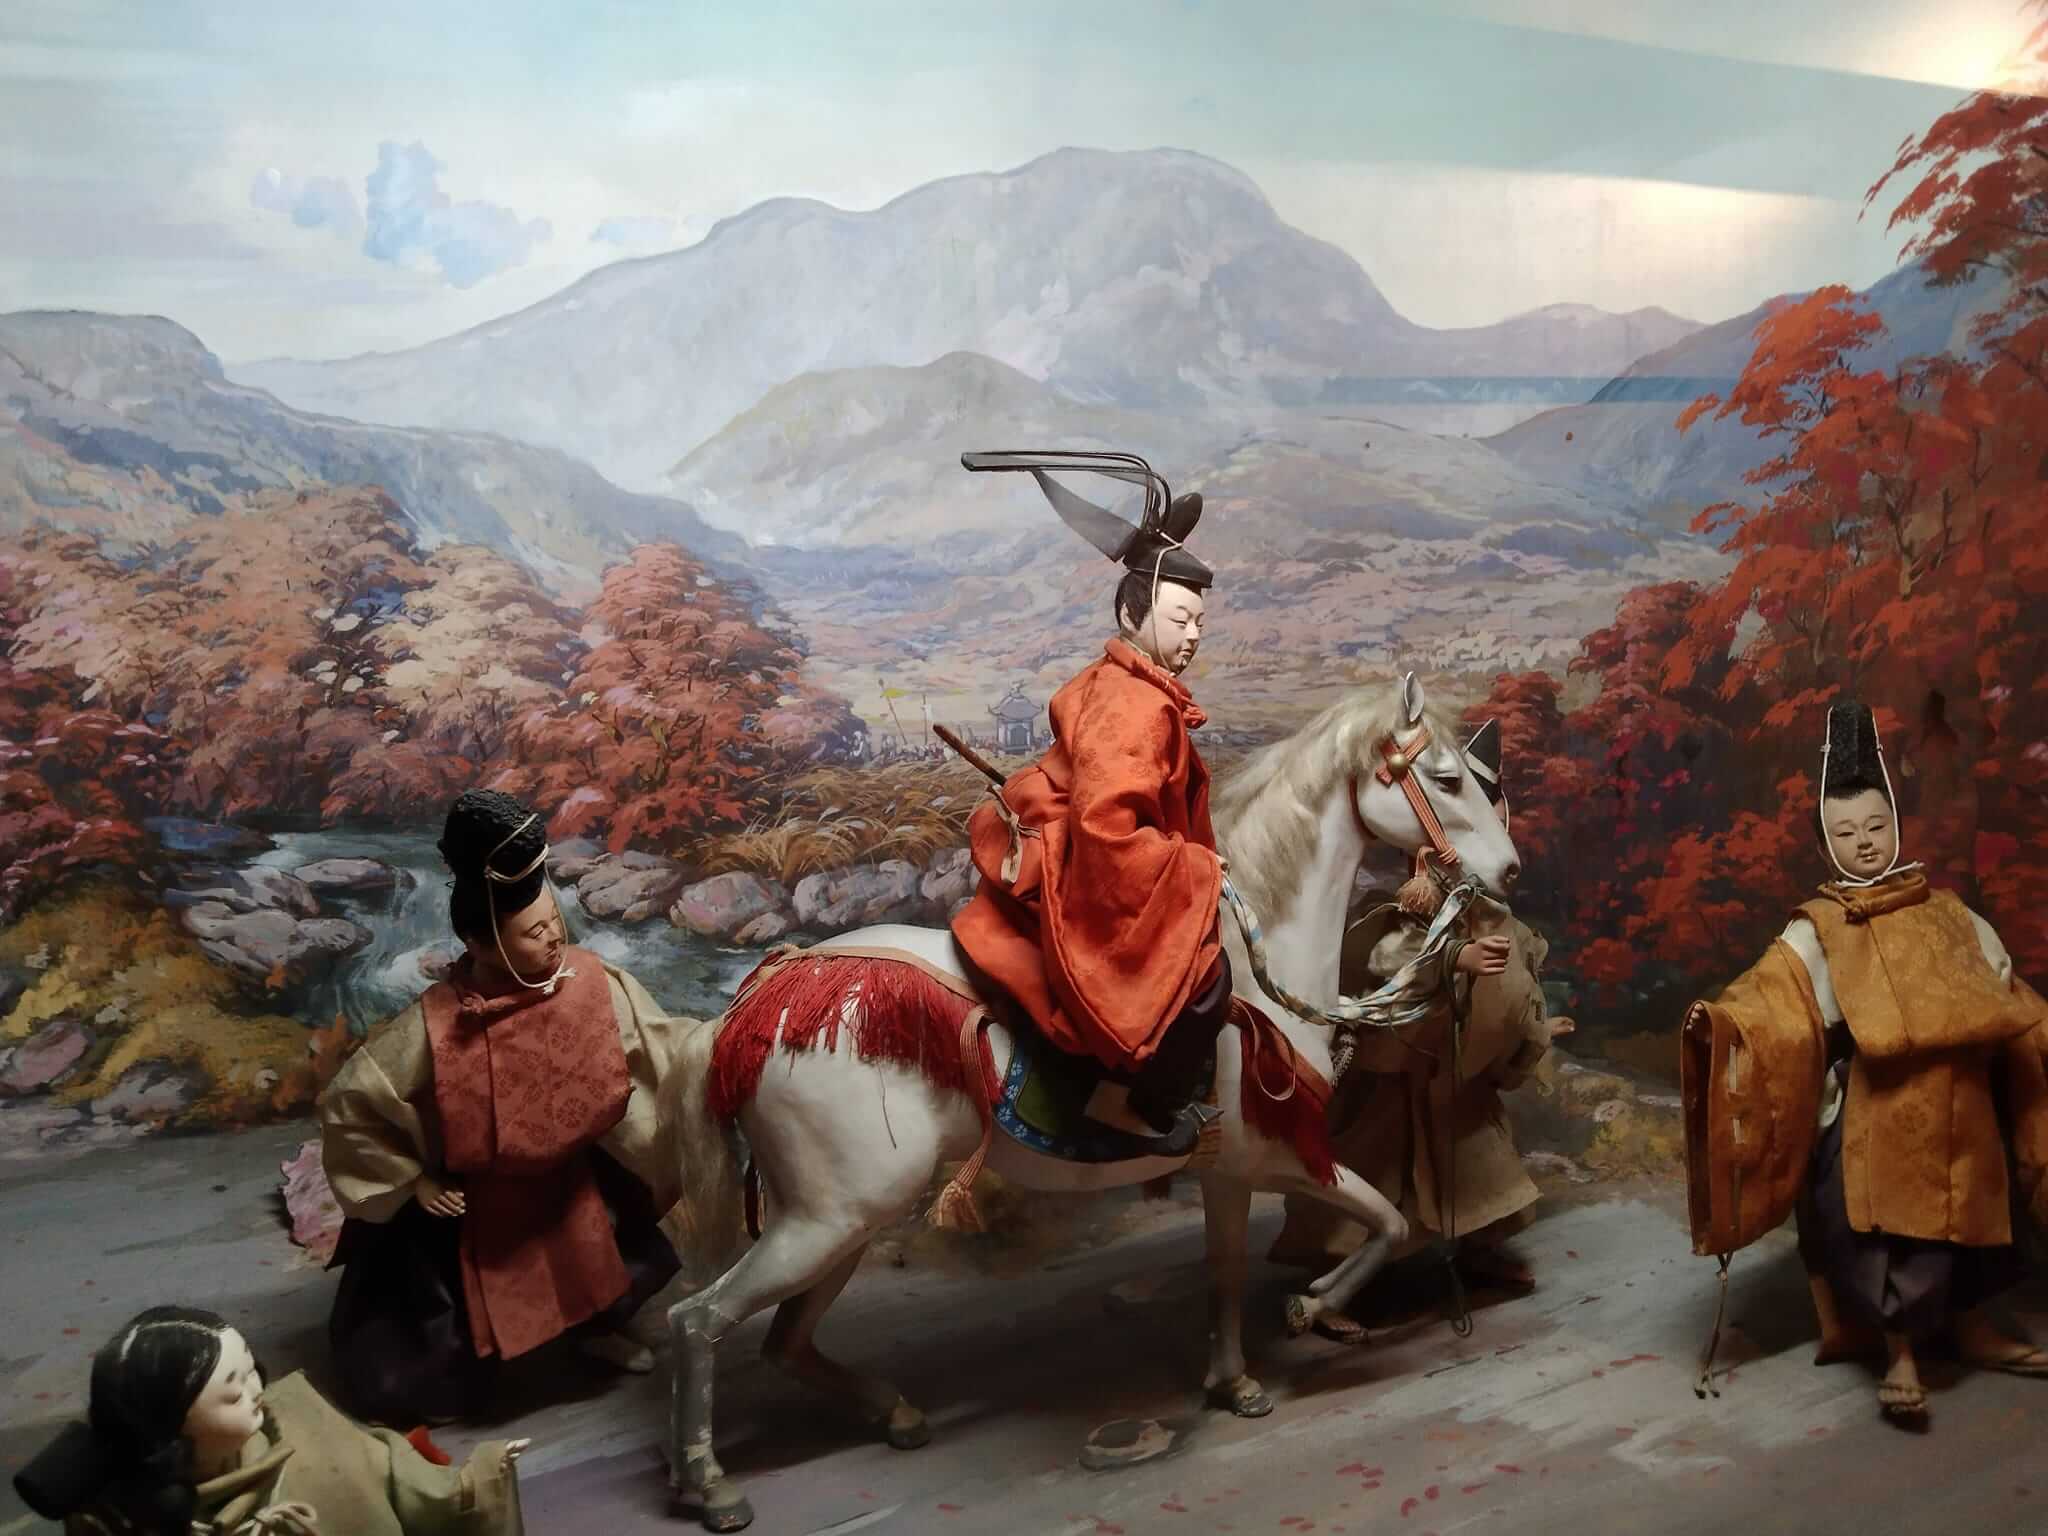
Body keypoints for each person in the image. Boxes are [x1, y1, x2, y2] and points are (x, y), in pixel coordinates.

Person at [1690, 701, 2048, 1422]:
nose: (1864, 843)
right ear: (1828, 842)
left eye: (1876, 826)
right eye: (1847, 832)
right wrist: (1721, 1023)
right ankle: (1900, 1352)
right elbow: (1772, 997)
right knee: (1879, 1225)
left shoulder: (1945, 909)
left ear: (1897, 825)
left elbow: (2001, 979)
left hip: (1963, 1102)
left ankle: (1974, 1326)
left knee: (1981, 1206)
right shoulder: (1819, 925)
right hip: (1874, 1104)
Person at [318, 789, 685, 1425]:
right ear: (480, 943)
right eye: (534, 932)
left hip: (571, 1181)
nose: (554, 938)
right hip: (473, 1203)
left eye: (554, 921)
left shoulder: (591, 983)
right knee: (432, 1358)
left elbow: (660, 1045)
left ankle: (594, 1329)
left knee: (604, 1262)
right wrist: (414, 1179)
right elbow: (353, 1103)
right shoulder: (433, 1028)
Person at [949, 450, 1232, 1155]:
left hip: (1076, 843)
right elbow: (1105, 825)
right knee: (1208, 981)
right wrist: (1196, 869)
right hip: (1090, 864)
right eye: (1180, 618)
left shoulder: (1122, 683)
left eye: (1199, 621)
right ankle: (1125, 1108)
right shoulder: (1135, 704)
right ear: (1133, 612)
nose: (1193, 635)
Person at [1268, 720, 1572, 1303]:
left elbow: (1512, 981)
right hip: (1401, 1063)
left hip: (1455, 1069)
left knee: (1477, 1160)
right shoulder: (1412, 898)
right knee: (1378, 1160)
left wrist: (1530, 1023)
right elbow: (1384, 958)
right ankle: (1348, 1270)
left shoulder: (1488, 908)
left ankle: (1479, 1247)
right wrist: (1455, 956)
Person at [13, 1305, 524, 1534]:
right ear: (172, 1430)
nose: (258, 1391)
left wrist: (476, 1482)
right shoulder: (112, 1514)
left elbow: (389, 1470)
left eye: (252, 1370)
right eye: (234, 1392)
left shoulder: (302, 1422)